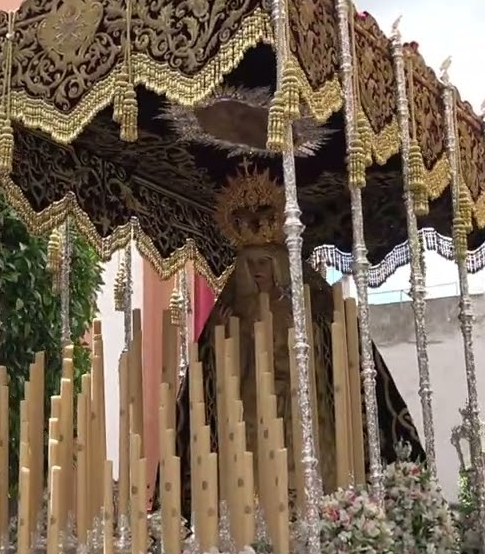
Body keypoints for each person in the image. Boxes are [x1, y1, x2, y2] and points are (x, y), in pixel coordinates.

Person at [166, 162, 426, 512]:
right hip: (250, 418)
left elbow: (332, 362)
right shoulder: (229, 317)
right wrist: (223, 340)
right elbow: (213, 384)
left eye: (264, 261)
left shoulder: (305, 308)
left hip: (303, 410)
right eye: (250, 263)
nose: (258, 271)